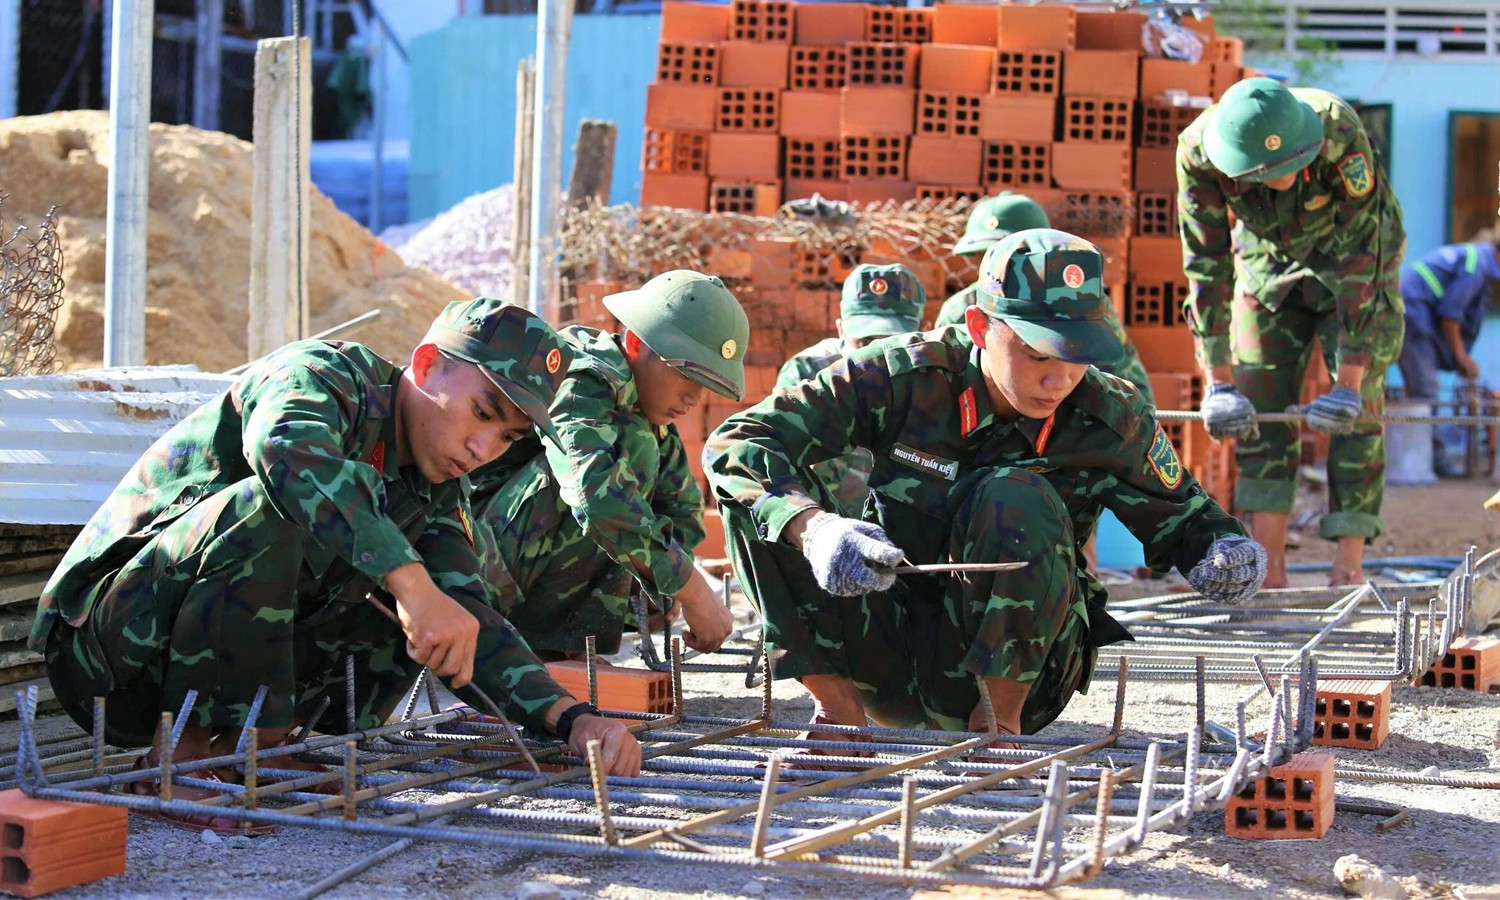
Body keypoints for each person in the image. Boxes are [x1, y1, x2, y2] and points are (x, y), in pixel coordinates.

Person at [31, 298, 644, 834]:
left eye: (508, 438)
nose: (483, 449)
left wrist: (572, 720)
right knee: (277, 509)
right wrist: (411, 584)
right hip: (109, 652)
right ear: (427, 364)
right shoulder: (322, 376)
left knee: (434, 602)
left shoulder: (433, 490)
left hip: (193, 662)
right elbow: (285, 453)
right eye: (483, 414)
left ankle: (264, 744)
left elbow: (472, 621)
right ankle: (186, 758)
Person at [705, 229, 1265, 745]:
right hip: (886, 647)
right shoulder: (906, 376)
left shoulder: (1108, 412)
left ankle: (998, 728)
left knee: (1012, 492)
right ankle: (838, 714)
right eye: (1037, 353)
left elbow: (1189, 520)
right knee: (761, 502)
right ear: (979, 328)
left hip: (1027, 670)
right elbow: (737, 442)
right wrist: (817, 529)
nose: (1059, 379)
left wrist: (1223, 553)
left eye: (1076, 357)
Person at [1178, 77, 1406, 588]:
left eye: (1295, 166)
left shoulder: (1336, 129)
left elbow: (1361, 265)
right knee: (1256, 402)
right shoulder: (1198, 152)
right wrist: (1218, 383)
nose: (1288, 178)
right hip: (1267, 261)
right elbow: (1205, 266)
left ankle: (1348, 566)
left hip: (1353, 260)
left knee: (1360, 408)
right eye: (1272, 173)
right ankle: (1270, 569)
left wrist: (1347, 383)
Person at [468, 271, 745, 663]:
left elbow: (682, 513)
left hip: (517, 565)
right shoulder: (581, 378)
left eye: (707, 385)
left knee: (642, 465)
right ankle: (545, 648)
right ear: (635, 342)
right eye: (685, 374)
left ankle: (566, 648)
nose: (693, 398)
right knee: (622, 464)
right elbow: (595, 498)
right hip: (476, 577)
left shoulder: (647, 411)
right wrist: (691, 588)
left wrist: (656, 586)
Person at [934, 193, 1154, 405]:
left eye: (1019, 257)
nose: (1001, 265)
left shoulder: (1080, 307)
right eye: (987, 255)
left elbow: (1129, 382)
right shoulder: (958, 309)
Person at [775, 263, 925, 516]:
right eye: (864, 342)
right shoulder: (806, 373)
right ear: (841, 329)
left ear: (924, 330)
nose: (876, 354)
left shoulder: (931, 374)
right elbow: (789, 461)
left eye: (889, 341)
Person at [1396, 240, 1500, 475]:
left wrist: (1457, 357)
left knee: (1420, 391)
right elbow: (1450, 315)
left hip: (1416, 313)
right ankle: (1429, 463)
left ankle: (1419, 458)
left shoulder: (1478, 258)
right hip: (1412, 314)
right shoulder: (1477, 266)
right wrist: (1461, 357)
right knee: (1427, 392)